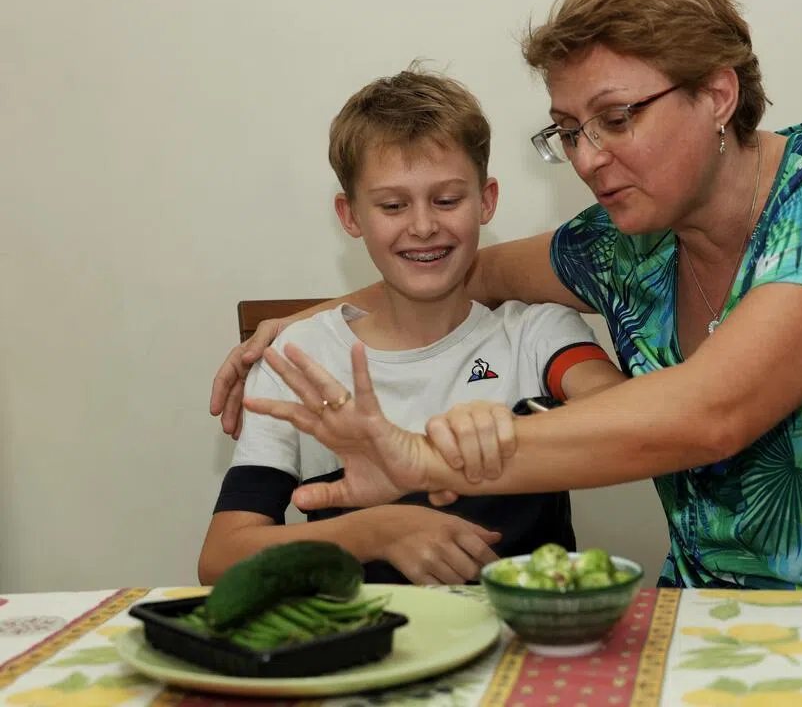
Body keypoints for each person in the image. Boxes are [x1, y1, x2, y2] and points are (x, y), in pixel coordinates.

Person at [213, 0, 802, 594]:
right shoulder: (624, 239)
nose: (586, 158)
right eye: (567, 130)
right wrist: (311, 319)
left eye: (615, 119)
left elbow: (708, 416)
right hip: (714, 621)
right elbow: (464, 267)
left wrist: (425, 459)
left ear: (718, 93)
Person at [198, 69, 623, 587]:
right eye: (393, 205)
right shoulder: (298, 359)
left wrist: (514, 433)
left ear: (486, 200)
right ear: (350, 215)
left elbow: (625, 414)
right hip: (362, 647)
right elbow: (222, 556)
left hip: (525, 647)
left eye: (446, 200)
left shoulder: (538, 332)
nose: (423, 226)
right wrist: (375, 531)